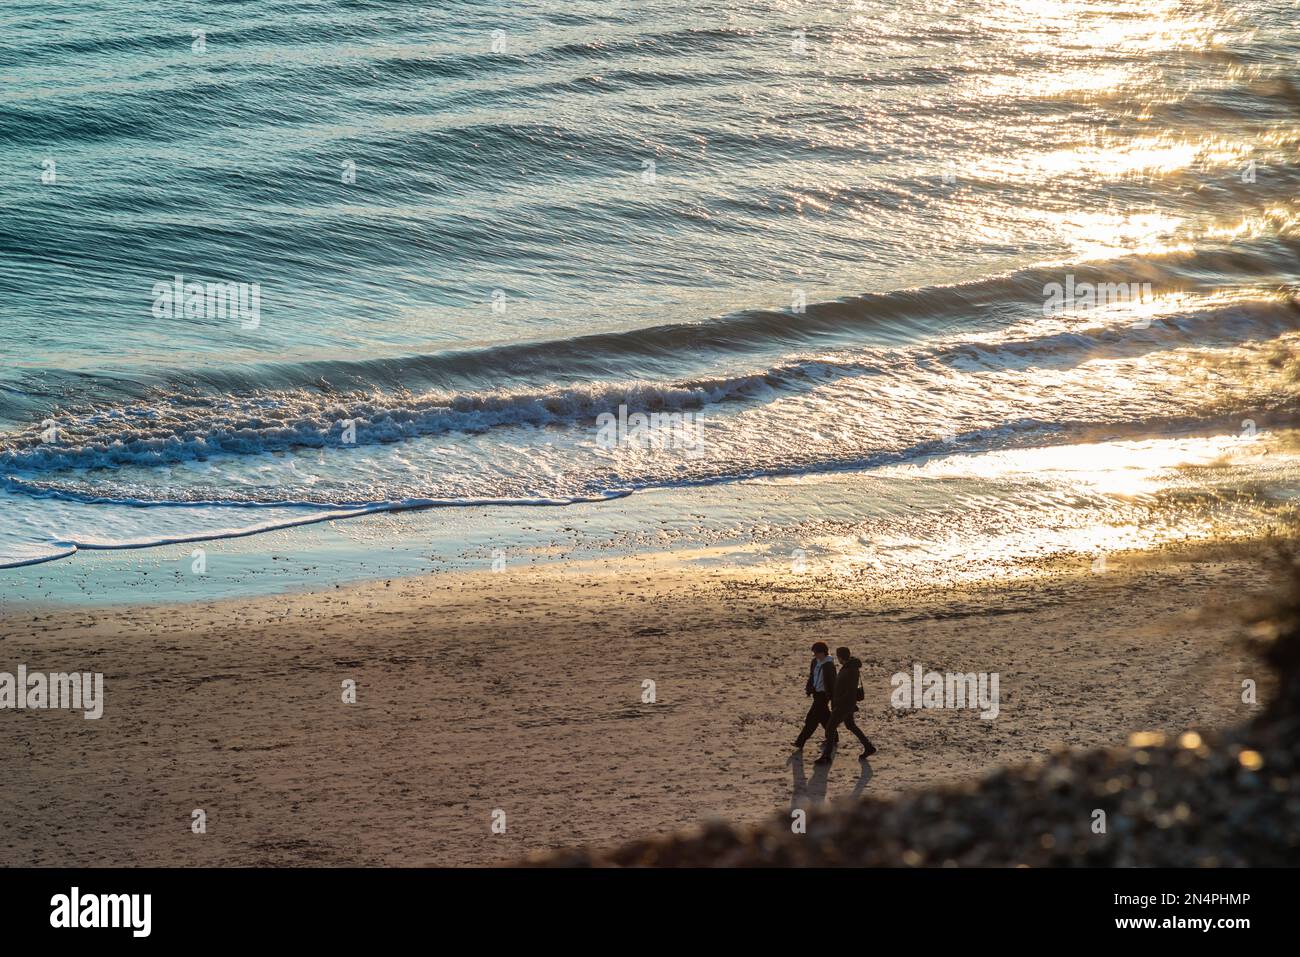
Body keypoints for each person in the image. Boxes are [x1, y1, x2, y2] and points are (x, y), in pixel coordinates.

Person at [817, 646, 877, 763]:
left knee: (830, 728)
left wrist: (839, 704)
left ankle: (826, 756)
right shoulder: (850, 667)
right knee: (850, 725)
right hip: (846, 704)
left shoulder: (850, 669)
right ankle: (869, 747)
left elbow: (849, 690)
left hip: (843, 705)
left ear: (840, 657)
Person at [794, 642, 836, 751]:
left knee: (811, 719)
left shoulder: (829, 665)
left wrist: (832, 696)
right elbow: (812, 676)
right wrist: (809, 689)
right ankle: (834, 737)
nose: (815, 655)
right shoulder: (815, 662)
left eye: (816, 653)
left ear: (823, 652)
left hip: (824, 695)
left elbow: (832, 681)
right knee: (824, 717)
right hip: (816, 693)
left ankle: (800, 741)